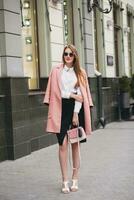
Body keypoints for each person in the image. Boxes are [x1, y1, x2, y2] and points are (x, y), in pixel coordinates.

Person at [43, 44, 93, 194]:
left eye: (71, 54)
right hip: (61, 109)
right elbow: (58, 93)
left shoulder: (81, 73)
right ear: (63, 55)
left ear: (75, 56)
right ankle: (65, 180)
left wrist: (76, 113)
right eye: (66, 54)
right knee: (62, 145)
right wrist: (71, 94)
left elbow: (81, 96)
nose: (68, 56)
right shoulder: (56, 71)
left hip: (76, 110)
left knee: (75, 145)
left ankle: (75, 178)